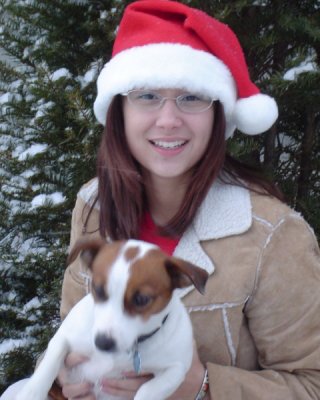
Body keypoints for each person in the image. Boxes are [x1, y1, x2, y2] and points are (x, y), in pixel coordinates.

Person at [2, 1, 320, 399]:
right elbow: (74, 327)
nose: (168, 119)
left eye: (192, 98)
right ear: (119, 109)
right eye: (147, 95)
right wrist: (59, 379)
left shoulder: (272, 235)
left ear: (219, 114)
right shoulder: (94, 204)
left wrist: (203, 386)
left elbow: (311, 384)